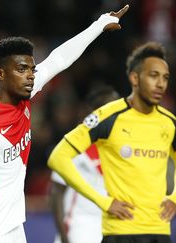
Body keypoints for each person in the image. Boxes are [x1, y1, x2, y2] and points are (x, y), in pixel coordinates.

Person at [0, 5, 129, 243]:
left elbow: (59, 58)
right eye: (22, 69)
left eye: (32, 69)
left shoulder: (24, 92)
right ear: (0, 74)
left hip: (13, 228)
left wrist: (99, 25)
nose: (31, 75)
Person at [48, 42, 176, 243]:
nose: (160, 84)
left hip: (159, 230)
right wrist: (105, 202)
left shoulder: (170, 123)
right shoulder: (108, 119)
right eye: (153, 76)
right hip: (110, 231)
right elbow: (58, 159)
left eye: (165, 78)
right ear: (134, 78)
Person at [50, 85, 119, 243]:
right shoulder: (73, 145)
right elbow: (56, 193)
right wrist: (65, 236)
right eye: (110, 108)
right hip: (79, 227)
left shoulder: (121, 146)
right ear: (93, 112)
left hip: (109, 228)